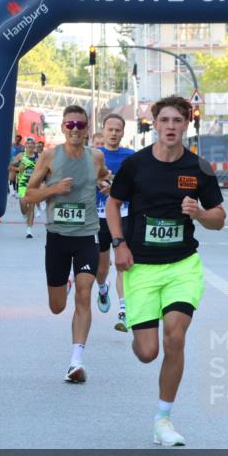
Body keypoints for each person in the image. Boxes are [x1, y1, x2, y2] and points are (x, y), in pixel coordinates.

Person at [105, 95, 226, 446]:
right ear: (154, 124)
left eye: (178, 121)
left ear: (186, 124)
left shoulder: (199, 168)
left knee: (175, 334)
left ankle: (163, 419)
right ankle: (138, 324)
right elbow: (113, 205)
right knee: (148, 352)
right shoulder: (136, 165)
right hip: (141, 267)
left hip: (182, 266)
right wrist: (119, 243)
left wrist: (200, 214)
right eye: (165, 120)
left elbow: (219, 218)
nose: (171, 126)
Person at [22, 105, 111, 383]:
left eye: (80, 125)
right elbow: (28, 197)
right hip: (57, 237)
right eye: (70, 125)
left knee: (84, 295)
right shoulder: (49, 156)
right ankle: (66, 283)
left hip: (86, 236)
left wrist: (105, 184)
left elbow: (103, 176)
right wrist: (53, 190)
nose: (75, 129)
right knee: (57, 306)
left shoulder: (96, 156)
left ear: (86, 129)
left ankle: (76, 361)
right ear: (62, 128)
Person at [95, 113, 135, 331]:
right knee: (102, 268)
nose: (113, 133)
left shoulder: (131, 156)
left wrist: (120, 189)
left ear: (122, 132)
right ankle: (102, 288)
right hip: (99, 216)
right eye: (110, 129)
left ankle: (123, 311)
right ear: (103, 131)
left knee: (123, 264)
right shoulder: (94, 154)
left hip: (124, 215)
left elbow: (138, 184)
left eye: (117, 130)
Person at [9, 137, 39, 238]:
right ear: (25, 146)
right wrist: (18, 169)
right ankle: (25, 214)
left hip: (34, 185)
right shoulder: (21, 156)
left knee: (32, 207)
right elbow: (10, 167)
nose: (30, 146)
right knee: (23, 205)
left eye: (32, 144)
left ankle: (29, 230)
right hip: (22, 185)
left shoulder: (38, 157)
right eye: (28, 144)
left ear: (34, 146)